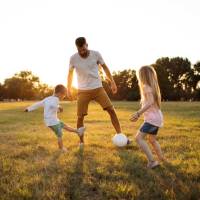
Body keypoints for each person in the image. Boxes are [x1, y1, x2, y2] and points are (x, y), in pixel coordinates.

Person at [67, 37, 125, 146]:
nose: (82, 52)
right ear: (77, 48)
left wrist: (112, 82)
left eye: (84, 49)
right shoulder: (73, 58)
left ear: (87, 45)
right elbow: (70, 74)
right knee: (80, 116)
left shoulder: (96, 54)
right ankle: (81, 141)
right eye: (80, 50)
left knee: (111, 110)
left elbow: (105, 68)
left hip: (98, 88)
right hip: (83, 91)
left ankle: (120, 136)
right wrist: (68, 88)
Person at [25, 84, 85, 152]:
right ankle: (61, 148)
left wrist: (28, 108)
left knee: (64, 125)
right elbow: (53, 105)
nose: (63, 97)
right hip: (52, 121)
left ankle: (78, 131)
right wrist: (59, 107)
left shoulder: (47, 98)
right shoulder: (56, 99)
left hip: (51, 120)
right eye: (64, 95)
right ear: (59, 94)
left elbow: (38, 104)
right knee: (59, 134)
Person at [130, 66, 165, 168]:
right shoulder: (152, 87)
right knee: (152, 140)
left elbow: (149, 102)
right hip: (157, 118)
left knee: (138, 138)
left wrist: (138, 113)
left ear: (142, 76)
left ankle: (152, 161)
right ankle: (161, 158)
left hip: (152, 120)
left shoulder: (146, 87)